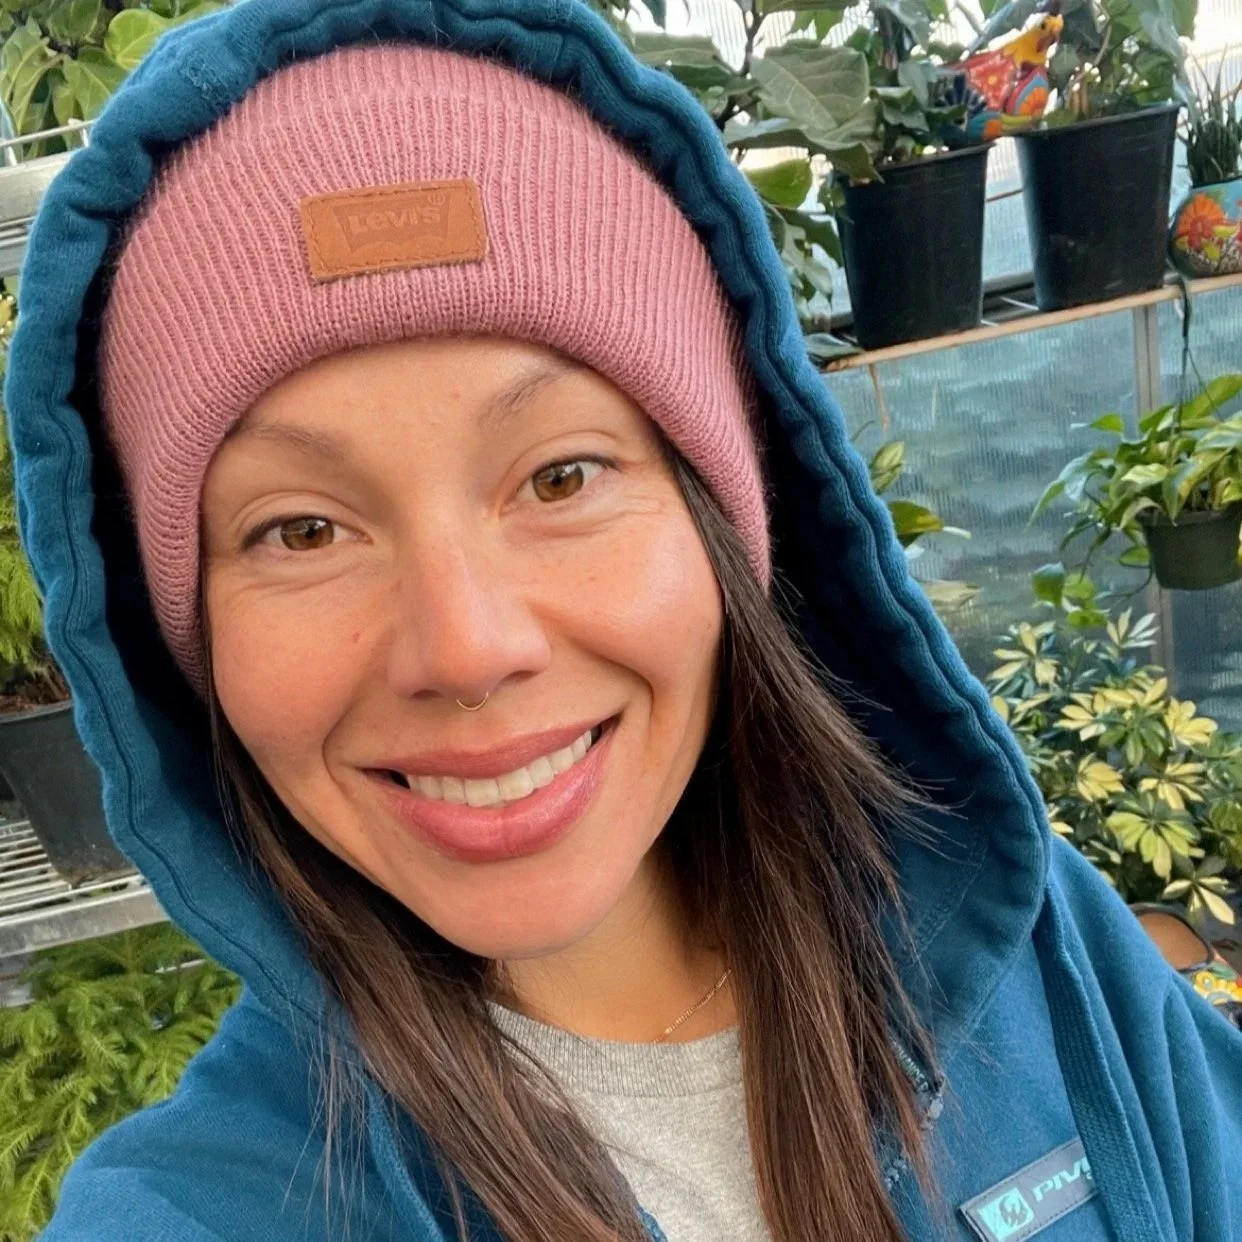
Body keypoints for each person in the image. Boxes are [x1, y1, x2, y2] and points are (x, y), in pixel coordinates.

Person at [7, 1, 1241, 1240]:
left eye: (561, 478)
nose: (469, 646)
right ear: (184, 642)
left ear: (725, 523)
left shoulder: (1053, 960)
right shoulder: (200, 1212)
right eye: (302, 531)